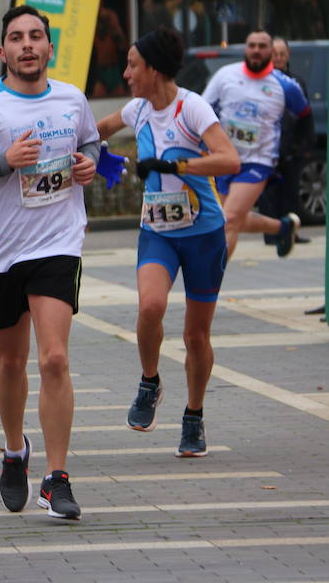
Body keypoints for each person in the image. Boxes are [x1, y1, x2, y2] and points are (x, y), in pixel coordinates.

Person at [0, 5, 99, 520]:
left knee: (54, 358)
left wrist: (90, 162)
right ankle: (13, 451)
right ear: (3, 51)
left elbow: (90, 142)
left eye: (36, 36)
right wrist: (2, 163)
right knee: (11, 360)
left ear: (49, 48)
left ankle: (57, 477)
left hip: (58, 243)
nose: (27, 45)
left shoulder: (73, 99)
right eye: (16, 38)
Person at [96, 27, 240, 459]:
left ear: (153, 69)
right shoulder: (138, 110)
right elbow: (94, 130)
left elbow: (229, 158)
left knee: (196, 336)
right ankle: (149, 380)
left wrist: (176, 164)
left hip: (203, 234)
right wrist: (99, 157)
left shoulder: (191, 107)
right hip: (158, 231)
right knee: (149, 307)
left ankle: (193, 415)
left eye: (133, 65)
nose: (126, 74)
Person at [201, 30, 312, 259]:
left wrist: (292, 152)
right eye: (252, 45)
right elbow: (201, 110)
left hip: (258, 162)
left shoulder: (286, 86)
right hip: (224, 159)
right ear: (246, 49)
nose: (256, 51)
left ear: (271, 51)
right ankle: (282, 228)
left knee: (229, 219)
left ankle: (211, 279)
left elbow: (305, 116)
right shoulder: (225, 75)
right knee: (230, 217)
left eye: (262, 46)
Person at [260, 37, 314, 245]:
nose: (279, 57)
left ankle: (291, 232)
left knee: (291, 192)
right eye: (275, 54)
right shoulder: (262, 82)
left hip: (292, 147)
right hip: (269, 147)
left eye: (282, 54)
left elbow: (305, 115)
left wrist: (304, 145)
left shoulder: (297, 82)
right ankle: (271, 234)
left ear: (288, 55)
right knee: (269, 192)